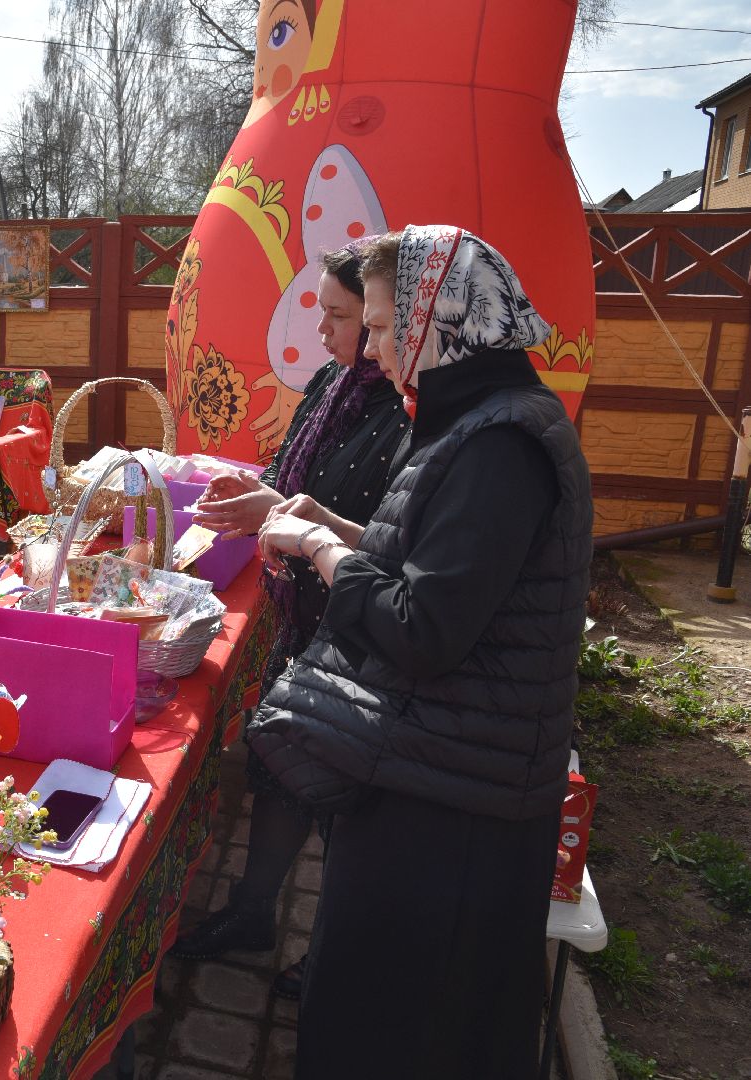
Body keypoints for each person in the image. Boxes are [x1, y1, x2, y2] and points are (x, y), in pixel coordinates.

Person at [246, 225, 593, 1079]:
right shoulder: (478, 421)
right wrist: (325, 524)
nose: (378, 348)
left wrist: (326, 557)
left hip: (454, 808)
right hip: (443, 767)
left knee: (400, 1027)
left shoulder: (501, 446)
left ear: (446, 320)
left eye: (388, 327)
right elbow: (439, 567)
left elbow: (426, 626)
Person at [170, 242, 409, 1000]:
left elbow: (392, 537)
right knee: (279, 771)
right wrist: (257, 489)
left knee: (348, 806)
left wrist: (292, 517)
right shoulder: (331, 386)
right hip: (304, 619)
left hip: (364, 636)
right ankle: (251, 913)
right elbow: (288, 480)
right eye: (334, 315)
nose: (334, 333)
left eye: (348, 318)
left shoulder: (407, 412)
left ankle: (342, 954)